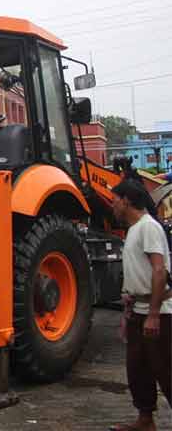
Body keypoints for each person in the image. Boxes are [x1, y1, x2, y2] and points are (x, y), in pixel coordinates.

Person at [110, 179, 172, 431]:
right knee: (138, 370)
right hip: (137, 311)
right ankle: (145, 421)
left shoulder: (148, 227)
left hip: (157, 313)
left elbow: (159, 270)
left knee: (166, 370)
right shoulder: (134, 228)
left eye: (115, 200)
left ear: (126, 201)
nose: (112, 205)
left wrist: (154, 314)